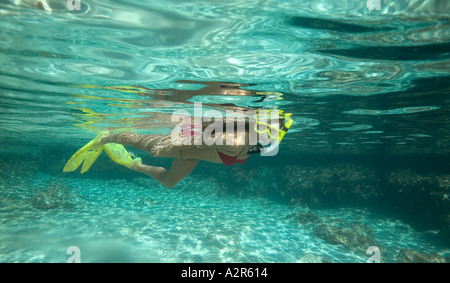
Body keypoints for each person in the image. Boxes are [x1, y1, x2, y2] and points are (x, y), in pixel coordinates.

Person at [63, 110, 293, 188]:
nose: (274, 135)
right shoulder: (233, 140)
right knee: (155, 148)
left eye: (280, 129)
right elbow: (202, 130)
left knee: (169, 181)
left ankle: (134, 164)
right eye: (272, 128)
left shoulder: (263, 139)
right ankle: (107, 136)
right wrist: (179, 134)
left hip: (205, 151)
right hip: (191, 142)